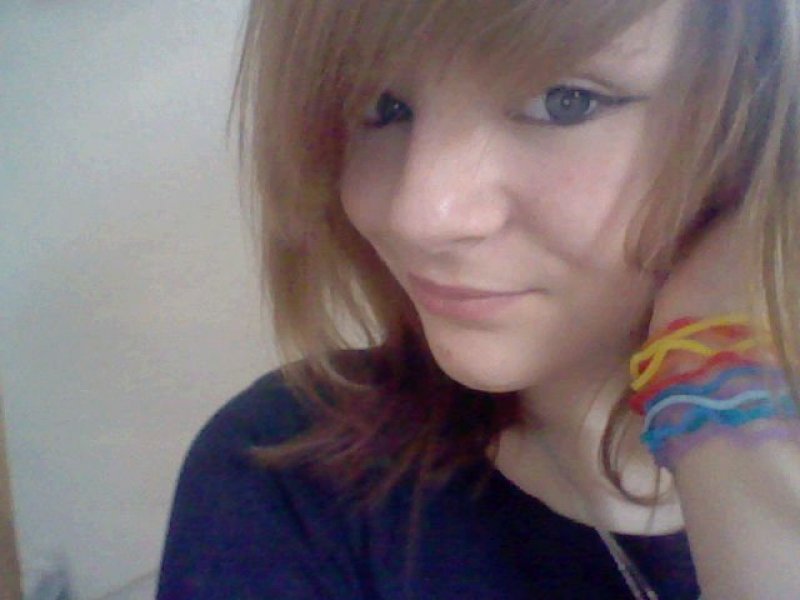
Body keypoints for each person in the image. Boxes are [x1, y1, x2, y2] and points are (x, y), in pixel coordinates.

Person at [157, 0, 800, 598]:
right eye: (381, 105)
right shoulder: (284, 475)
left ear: (757, 120)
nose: (419, 215)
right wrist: (718, 391)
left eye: (565, 101)